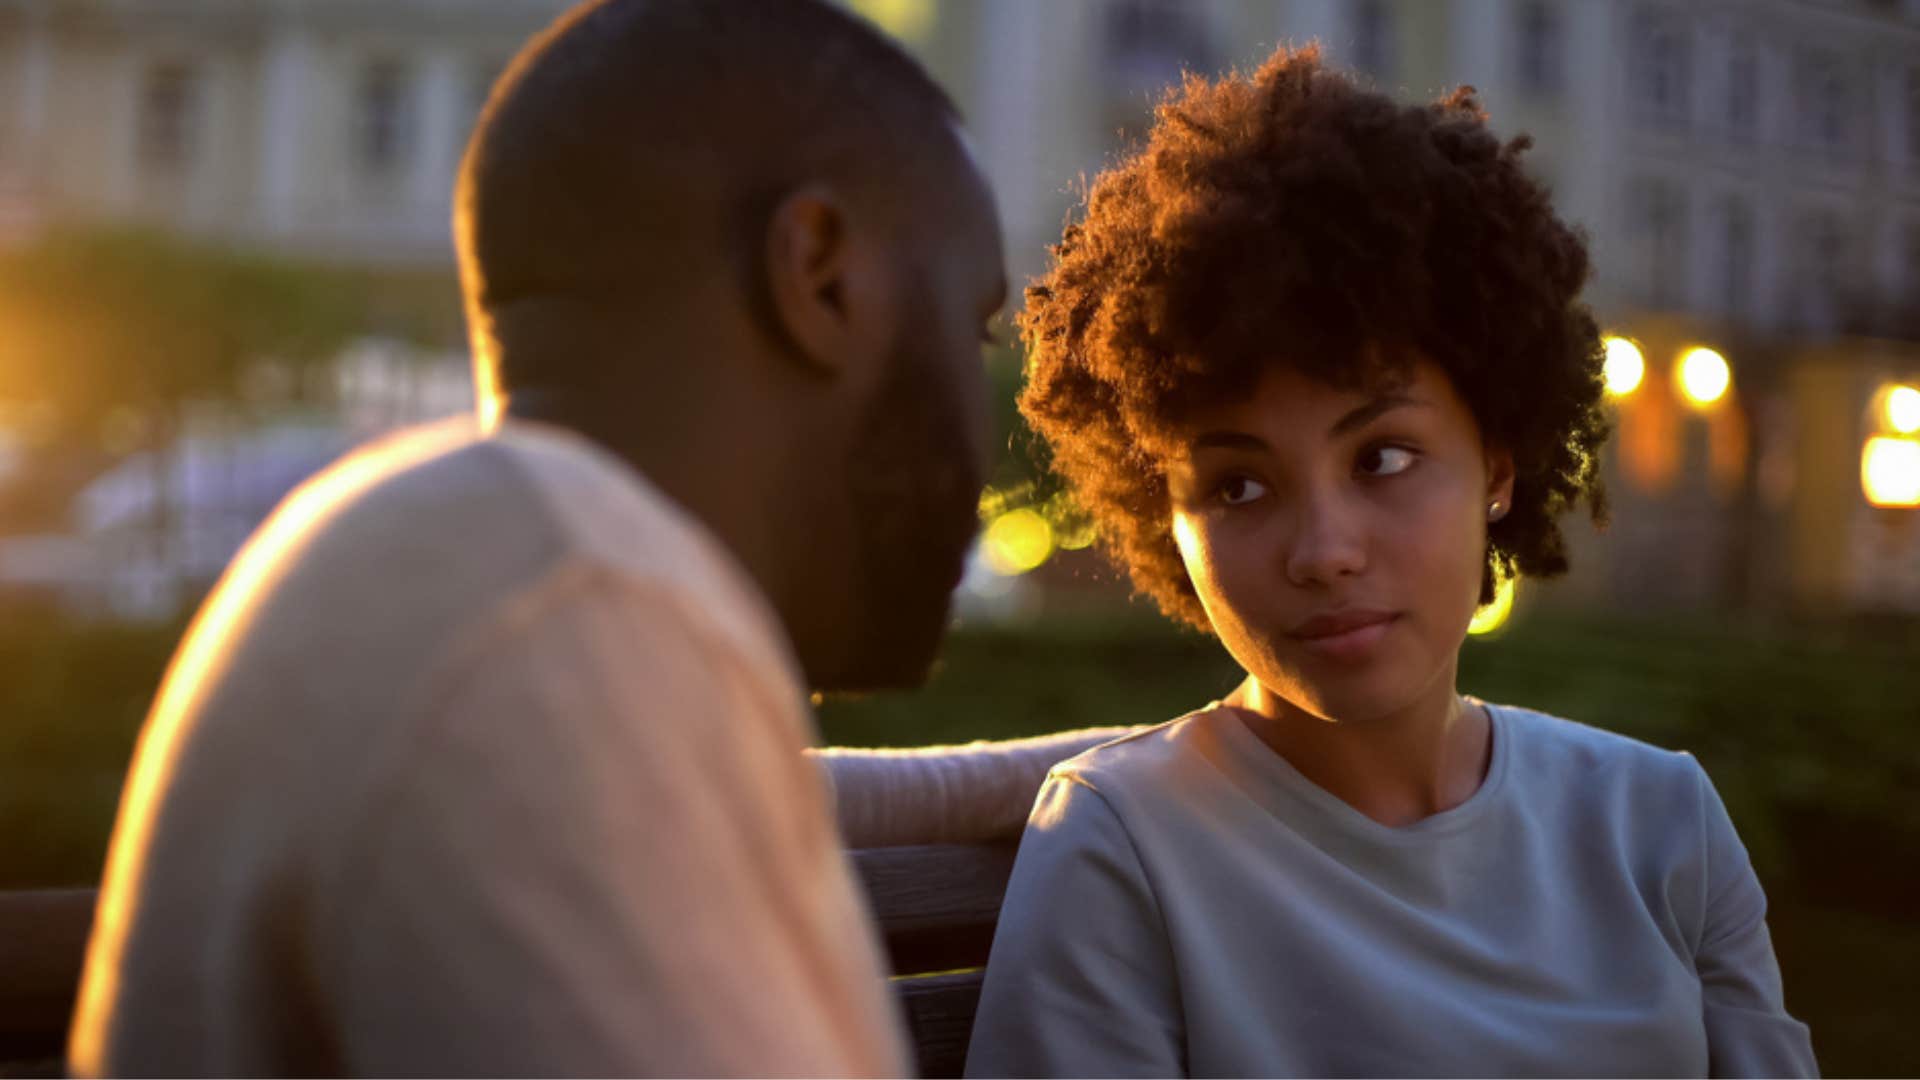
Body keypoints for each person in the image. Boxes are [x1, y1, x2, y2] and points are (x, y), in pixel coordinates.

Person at [68, 0, 1008, 1074]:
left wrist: (1175, 754)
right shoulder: (574, 611)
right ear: (822, 274)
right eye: (973, 328)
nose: (989, 429)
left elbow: (822, 790)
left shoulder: (462, 555)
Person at [963, 47, 1819, 1079]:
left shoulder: (1658, 823)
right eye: (1237, 485)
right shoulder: (1124, 850)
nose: (1325, 551)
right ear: (1163, 519)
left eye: (1383, 457)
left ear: (1497, 465)